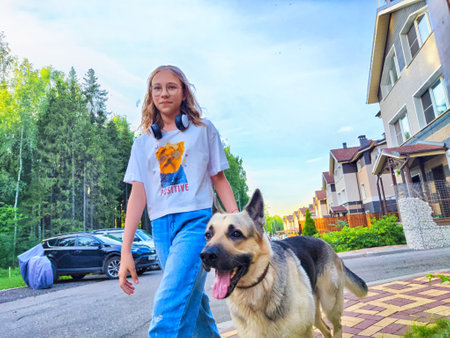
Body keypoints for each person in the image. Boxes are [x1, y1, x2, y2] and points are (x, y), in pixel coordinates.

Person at [118, 65, 238, 338]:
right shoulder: (143, 143)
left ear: (184, 92)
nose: (164, 93)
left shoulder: (203, 130)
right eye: (157, 88)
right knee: (192, 302)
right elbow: (138, 194)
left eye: (171, 87)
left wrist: (236, 219)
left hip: (197, 223)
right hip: (161, 228)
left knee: (170, 303)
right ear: (151, 94)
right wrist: (126, 250)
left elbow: (218, 178)